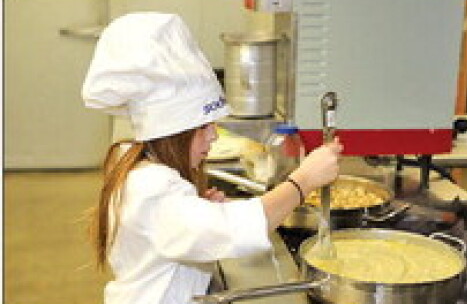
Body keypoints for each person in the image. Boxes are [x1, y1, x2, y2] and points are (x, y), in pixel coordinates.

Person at [82, 12, 342, 304]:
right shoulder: (152, 188)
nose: (214, 136)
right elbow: (235, 231)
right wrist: (305, 179)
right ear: (174, 132)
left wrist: (197, 210)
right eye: (203, 127)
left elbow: (178, 228)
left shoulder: (139, 163)